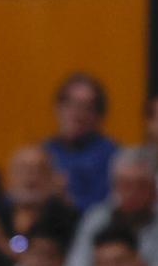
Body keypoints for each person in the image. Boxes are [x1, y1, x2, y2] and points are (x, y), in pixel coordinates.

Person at [67, 149, 158, 266]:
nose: (132, 192)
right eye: (125, 184)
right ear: (113, 186)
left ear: (154, 189)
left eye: (141, 185)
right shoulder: (97, 218)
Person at [45, 72, 121, 211]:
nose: (77, 114)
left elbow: (109, 207)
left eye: (87, 107)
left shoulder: (113, 156)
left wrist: (66, 199)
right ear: (58, 108)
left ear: (99, 116)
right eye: (71, 104)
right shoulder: (43, 152)